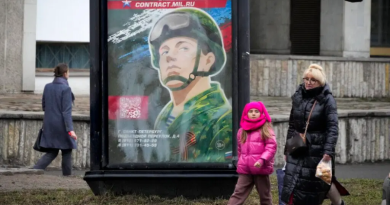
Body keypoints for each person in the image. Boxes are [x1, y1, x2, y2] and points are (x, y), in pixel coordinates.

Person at [148, 8, 232, 162]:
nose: (170, 57)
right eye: (164, 52)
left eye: (183, 48)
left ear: (208, 61)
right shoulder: (167, 114)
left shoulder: (221, 120)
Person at [281, 64, 349, 205]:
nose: (308, 82)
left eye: (313, 80)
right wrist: (287, 148)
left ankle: (338, 203)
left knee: (319, 182)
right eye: (306, 79)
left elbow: (332, 127)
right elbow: (292, 124)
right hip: (298, 145)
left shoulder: (327, 99)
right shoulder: (298, 97)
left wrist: (328, 151)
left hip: (318, 148)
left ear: (320, 81)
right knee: (295, 181)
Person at [228, 101, 277, 205]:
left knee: (265, 195)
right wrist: (240, 162)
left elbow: (271, 147)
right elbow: (240, 149)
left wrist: (262, 160)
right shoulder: (242, 131)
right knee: (238, 193)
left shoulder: (266, 129)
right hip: (246, 169)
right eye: (250, 111)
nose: (253, 113)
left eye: (256, 111)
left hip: (261, 168)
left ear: (261, 113)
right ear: (246, 113)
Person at [33, 63, 77, 176]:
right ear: (65, 73)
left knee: (52, 151)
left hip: (48, 124)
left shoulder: (47, 87)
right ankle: (67, 177)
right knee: (67, 150)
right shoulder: (66, 89)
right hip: (62, 125)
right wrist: (70, 130)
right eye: (69, 72)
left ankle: (33, 171)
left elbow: (44, 106)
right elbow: (66, 112)